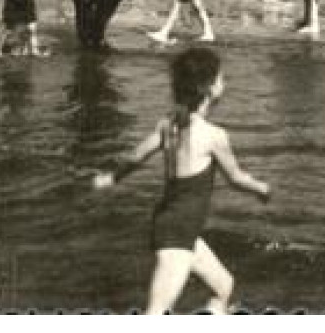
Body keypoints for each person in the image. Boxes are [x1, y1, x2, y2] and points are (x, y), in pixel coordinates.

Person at [92, 47, 271, 314]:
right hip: (178, 234)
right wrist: (260, 188)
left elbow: (137, 155)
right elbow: (235, 178)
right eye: (222, 79)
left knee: (223, 287)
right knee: (155, 314)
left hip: (173, 225)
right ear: (209, 89)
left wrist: (112, 177)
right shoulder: (214, 135)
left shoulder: (169, 125)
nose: (225, 83)